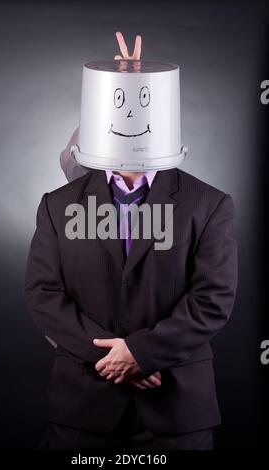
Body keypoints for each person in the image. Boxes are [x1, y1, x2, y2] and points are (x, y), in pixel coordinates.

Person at [25, 32, 238, 450]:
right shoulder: (58, 205)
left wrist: (142, 353)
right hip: (83, 412)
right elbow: (43, 292)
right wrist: (114, 359)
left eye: (145, 102)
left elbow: (213, 298)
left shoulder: (209, 205)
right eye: (118, 104)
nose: (131, 118)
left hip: (177, 411)